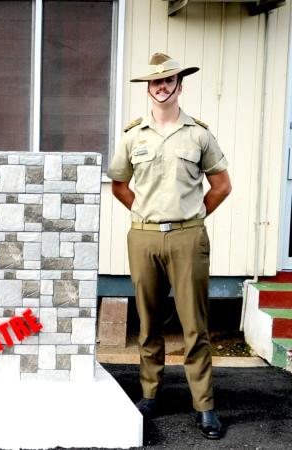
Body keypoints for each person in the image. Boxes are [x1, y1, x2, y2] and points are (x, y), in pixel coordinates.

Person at [108, 53, 232, 440]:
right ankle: (149, 393)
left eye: (169, 81)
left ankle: (204, 405)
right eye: (155, 82)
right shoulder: (133, 136)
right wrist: (145, 213)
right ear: (149, 89)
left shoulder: (199, 134)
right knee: (147, 319)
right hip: (143, 236)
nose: (162, 87)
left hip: (187, 236)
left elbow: (222, 185)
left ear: (180, 86)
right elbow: (119, 184)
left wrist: (190, 218)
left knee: (195, 323)